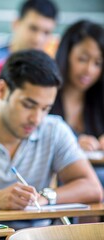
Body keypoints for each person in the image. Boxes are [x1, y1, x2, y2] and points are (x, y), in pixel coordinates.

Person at [0, 49, 103, 229]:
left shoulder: (53, 129)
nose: (36, 119)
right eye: (28, 105)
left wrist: (45, 197)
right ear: (1, 90)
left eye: (45, 108)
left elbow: (92, 189)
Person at [50, 20, 104, 187]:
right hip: (60, 180)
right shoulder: (46, 95)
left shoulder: (99, 99)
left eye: (98, 63)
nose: (89, 70)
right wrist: (70, 145)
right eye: (82, 59)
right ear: (66, 54)